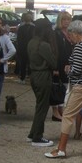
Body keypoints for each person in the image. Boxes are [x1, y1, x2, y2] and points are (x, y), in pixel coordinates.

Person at [45, 20, 82, 158]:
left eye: (70, 34)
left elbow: (75, 70)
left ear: (75, 33)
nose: (69, 37)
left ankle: (61, 149)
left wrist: (67, 70)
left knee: (68, 115)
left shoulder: (79, 47)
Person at [27, 18, 58, 147]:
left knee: (39, 105)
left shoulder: (31, 42)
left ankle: (33, 133)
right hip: (43, 75)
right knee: (42, 107)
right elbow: (54, 63)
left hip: (34, 75)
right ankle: (37, 137)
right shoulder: (43, 45)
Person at [51, 11, 73, 121]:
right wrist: (54, 67)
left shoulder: (70, 33)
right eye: (64, 19)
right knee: (56, 87)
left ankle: (61, 108)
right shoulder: (56, 33)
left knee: (65, 87)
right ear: (60, 20)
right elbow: (54, 50)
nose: (67, 22)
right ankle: (55, 111)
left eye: (68, 19)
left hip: (68, 63)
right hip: (58, 63)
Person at [15, 12, 35, 84]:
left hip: (22, 48)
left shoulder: (21, 27)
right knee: (31, 63)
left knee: (23, 63)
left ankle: (22, 78)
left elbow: (19, 39)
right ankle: (31, 78)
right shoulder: (34, 28)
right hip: (31, 48)